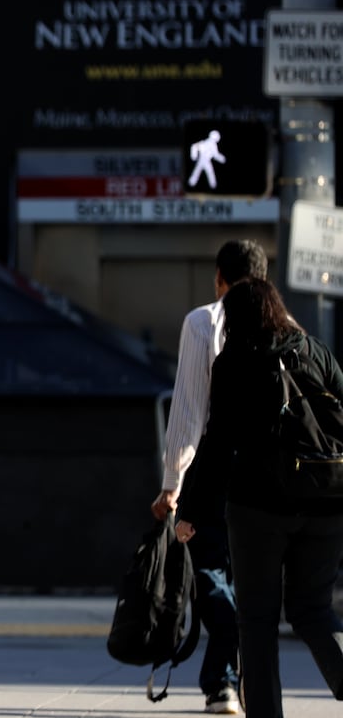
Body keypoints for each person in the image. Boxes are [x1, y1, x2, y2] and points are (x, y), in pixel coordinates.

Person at [178, 278, 343, 718]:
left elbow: (216, 446)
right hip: (326, 503)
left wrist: (189, 510)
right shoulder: (315, 350)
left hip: (259, 510)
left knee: (256, 621)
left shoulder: (235, 362)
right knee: (313, 609)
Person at [150, 240, 264, 715]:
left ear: (219, 278)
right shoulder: (286, 326)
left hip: (213, 477)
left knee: (213, 574)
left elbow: (190, 408)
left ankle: (225, 681)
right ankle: (224, 683)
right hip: (267, 481)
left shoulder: (203, 323)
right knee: (237, 575)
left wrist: (172, 482)